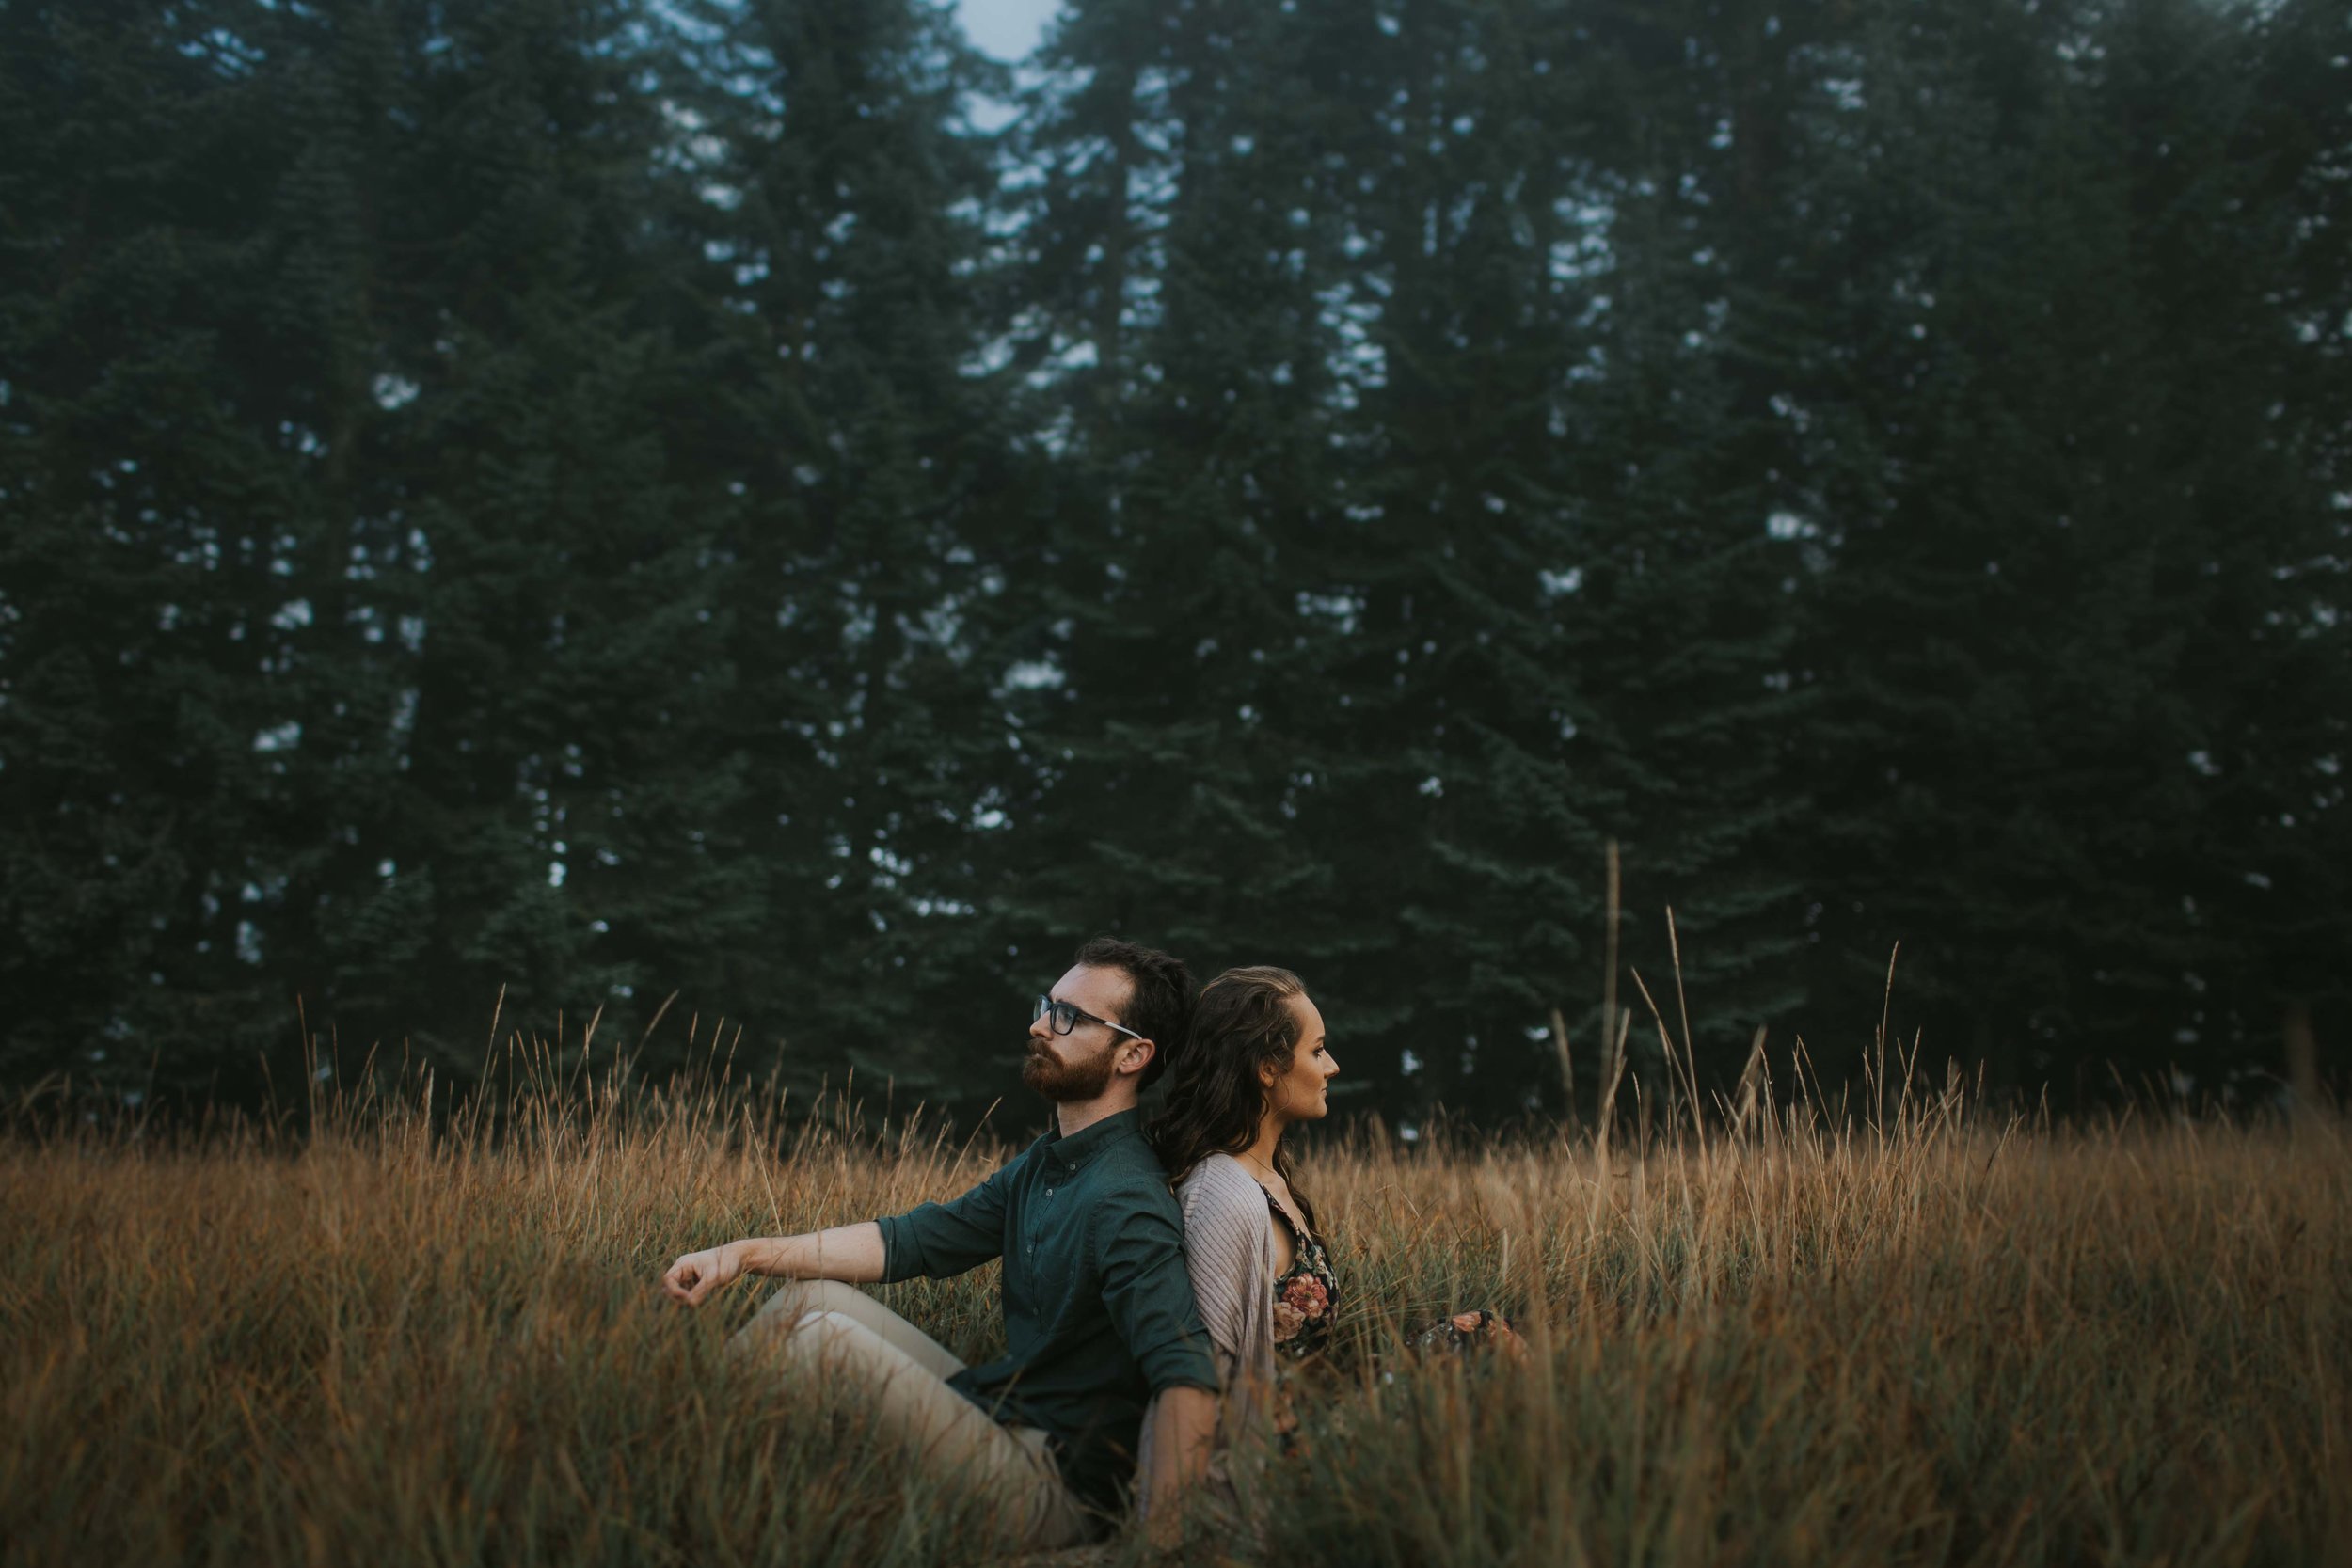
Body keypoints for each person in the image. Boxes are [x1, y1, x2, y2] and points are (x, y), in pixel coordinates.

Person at [660, 938, 1222, 1549]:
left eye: (1069, 1017)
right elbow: (912, 1240)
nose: (1039, 1024)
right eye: (1047, 1004)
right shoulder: (1050, 1162)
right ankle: (692, 1461)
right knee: (808, 1298)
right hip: (1005, 1417)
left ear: (1133, 1054)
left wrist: (1158, 1548)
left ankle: (688, 1494)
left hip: (1051, 1489)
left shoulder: (1126, 1197)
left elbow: (1187, 1373)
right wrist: (744, 1253)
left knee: (825, 1339)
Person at [1136, 965, 1518, 1522]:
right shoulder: (1223, 1197)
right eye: (1318, 1051)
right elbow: (1203, 1372)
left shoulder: (1268, 1175)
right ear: (1267, 1068)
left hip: (1311, 1416)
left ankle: (1530, 1481)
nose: (1333, 1066)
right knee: (1483, 1341)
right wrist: (1179, 1522)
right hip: (1278, 1457)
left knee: (1481, 1332)